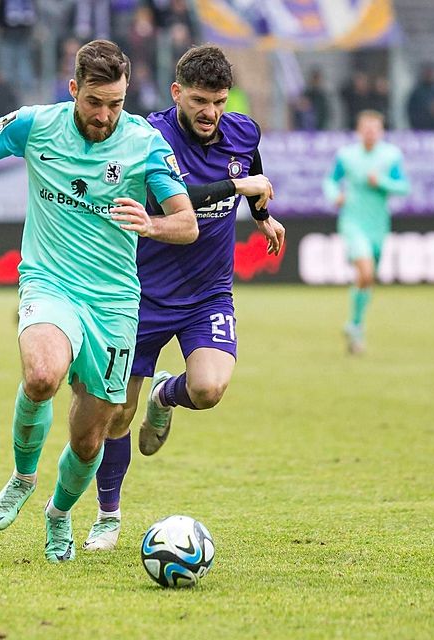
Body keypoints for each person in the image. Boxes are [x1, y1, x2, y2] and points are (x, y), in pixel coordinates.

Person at [0, 40, 199, 563]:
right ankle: (23, 476)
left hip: (114, 301)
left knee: (92, 437)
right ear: (74, 90)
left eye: (115, 103)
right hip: (50, 283)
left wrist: (151, 224)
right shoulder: (35, 125)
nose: (105, 115)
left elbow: (187, 223)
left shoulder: (146, 143)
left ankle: (60, 513)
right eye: (95, 102)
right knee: (42, 375)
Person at [83, 44, 285, 552]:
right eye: (198, 100)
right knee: (116, 416)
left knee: (210, 389)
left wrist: (262, 216)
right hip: (142, 294)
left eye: (217, 101)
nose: (209, 112)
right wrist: (240, 186)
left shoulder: (243, 130)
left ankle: (165, 395)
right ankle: (109, 515)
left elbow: (251, 172)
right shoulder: (151, 136)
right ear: (177, 93)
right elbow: (186, 197)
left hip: (207, 293)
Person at [323, 110, 410, 355]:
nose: (370, 133)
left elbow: (404, 187)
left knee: (367, 279)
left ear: (381, 131)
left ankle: (355, 324)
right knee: (366, 270)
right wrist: (334, 195)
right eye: (366, 128)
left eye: (375, 128)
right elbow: (330, 180)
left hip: (378, 225)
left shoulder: (391, 156)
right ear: (359, 131)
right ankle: (356, 325)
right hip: (352, 221)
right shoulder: (347, 155)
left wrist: (381, 181)